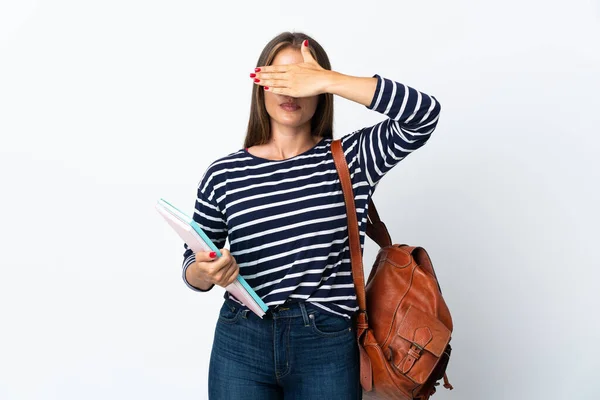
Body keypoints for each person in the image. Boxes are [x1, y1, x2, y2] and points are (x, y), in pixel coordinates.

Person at [181, 31, 441, 399]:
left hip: (326, 342)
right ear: (262, 85)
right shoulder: (224, 174)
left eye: (302, 81)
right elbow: (193, 263)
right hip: (240, 339)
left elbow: (423, 114)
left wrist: (329, 80)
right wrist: (204, 272)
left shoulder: (352, 159)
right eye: (281, 79)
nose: (291, 92)